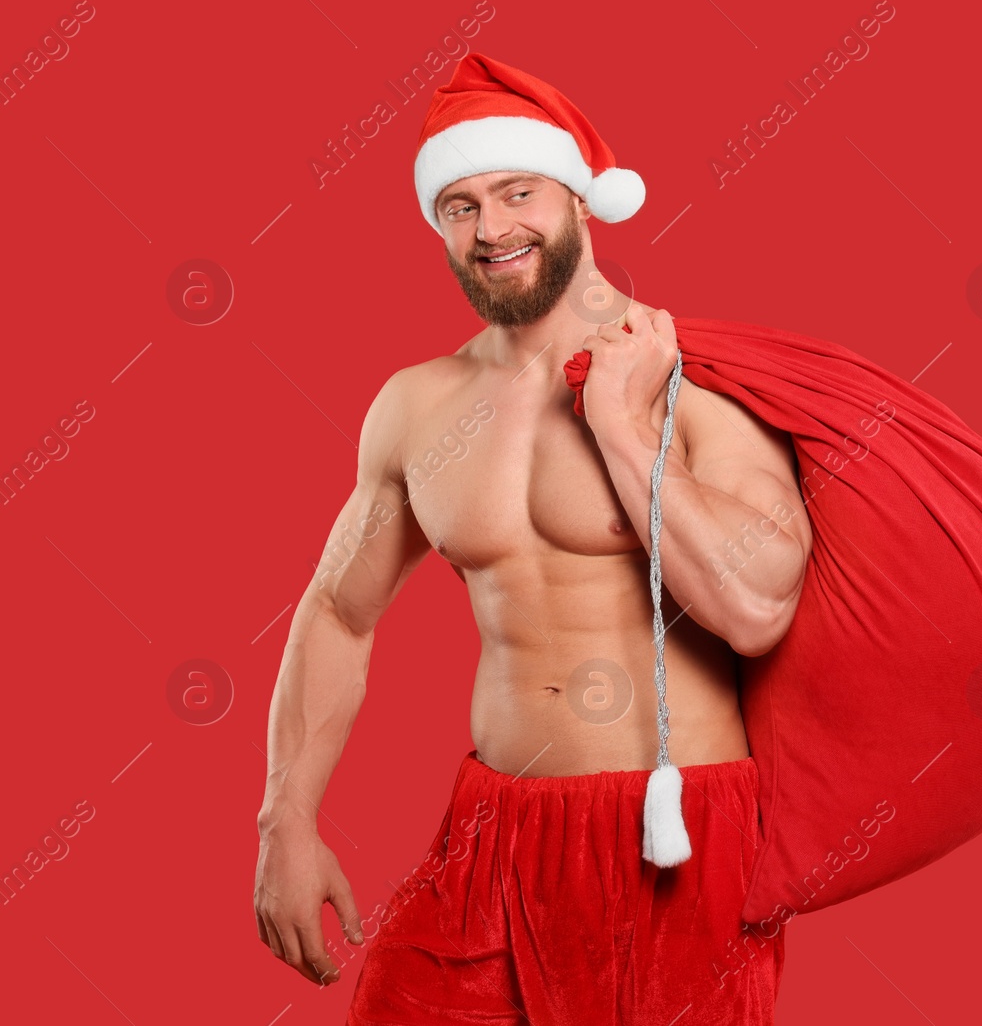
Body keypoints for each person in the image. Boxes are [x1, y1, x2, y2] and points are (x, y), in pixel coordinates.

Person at [252, 53, 813, 1025]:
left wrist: (622, 425)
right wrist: (286, 816)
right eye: (460, 204)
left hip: (672, 844)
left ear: (580, 202)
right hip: (493, 830)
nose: (492, 227)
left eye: (518, 192)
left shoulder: (698, 383)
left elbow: (758, 607)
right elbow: (338, 611)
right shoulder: (418, 405)